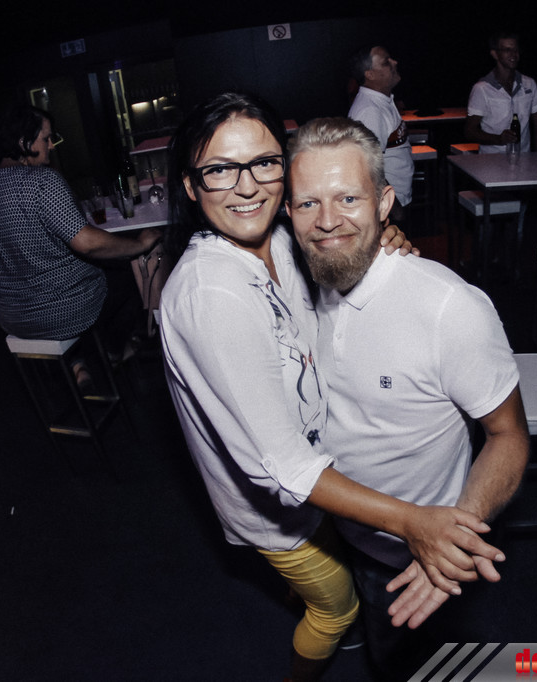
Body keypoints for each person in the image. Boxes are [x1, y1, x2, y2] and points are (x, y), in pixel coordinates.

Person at [159, 92, 505, 682]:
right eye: (220, 170)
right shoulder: (212, 295)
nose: (247, 186)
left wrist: (379, 239)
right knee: (335, 608)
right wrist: (414, 522)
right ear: (191, 186)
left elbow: (334, 241)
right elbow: (284, 468)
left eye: (263, 163)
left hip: (324, 492)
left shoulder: (281, 242)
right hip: (278, 511)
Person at [286, 116, 530, 680]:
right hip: (334, 527)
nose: (327, 221)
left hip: (409, 559)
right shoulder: (298, 281)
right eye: (308, 203)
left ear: (384, 202)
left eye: (349, 198)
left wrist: (456, 534)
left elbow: (509, 434)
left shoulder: (449, 309)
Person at [0, 105, 161, 383]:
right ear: (24, 143)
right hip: (66, 312)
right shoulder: (43, 181)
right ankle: (114, 352)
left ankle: (78, 364)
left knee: (90, 286)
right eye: (46, 138)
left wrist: (0, 279)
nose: (52, 145)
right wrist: (138, 244)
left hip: (13, 318)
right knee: (130, 277)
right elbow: (87, 243)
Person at [348, 45, 413, 221]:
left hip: (395, 200)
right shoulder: (370, 111)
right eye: (386, 62)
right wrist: (394, 209)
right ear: (370, 74)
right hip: (388, 207)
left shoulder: (382, 102)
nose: (395, 62)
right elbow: (367, 167)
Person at [464, 31, 537, 153]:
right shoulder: (482, 88)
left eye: (516, 49)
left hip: (523, 158)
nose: (513, 54)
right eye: (507, 50)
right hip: (492, 160)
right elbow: (469, 131)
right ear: (495, 54)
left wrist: (536, 156)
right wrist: (498, 139)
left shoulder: (529, 84)